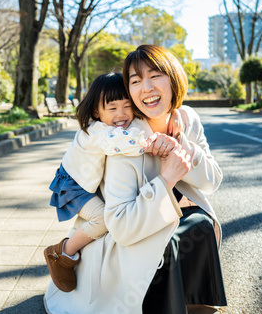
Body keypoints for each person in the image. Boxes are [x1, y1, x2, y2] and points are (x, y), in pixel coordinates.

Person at [44, 45, 226, 314]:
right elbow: (121, 226)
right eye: (136, 80)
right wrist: (165, 178)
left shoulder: (186, 120)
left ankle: (193, 300)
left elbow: (211, 181)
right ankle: (65, 254)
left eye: (155, 76)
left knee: (200, 222)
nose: (147, 87)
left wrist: (180, 146)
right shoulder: (124, 139)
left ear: (173, 79)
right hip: (118, 230)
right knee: (162, 242)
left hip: (154, 216)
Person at [44, 72, 179, 293]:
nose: (121, 114)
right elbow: (118, 143)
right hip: (73, 186)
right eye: (112, 108)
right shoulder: (96, 131)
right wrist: (150, 143)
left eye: (127, 106)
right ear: (97, 111)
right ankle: (62, 253)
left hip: (84, 182)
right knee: (104, 220)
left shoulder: (110, 125)